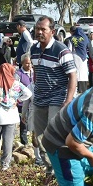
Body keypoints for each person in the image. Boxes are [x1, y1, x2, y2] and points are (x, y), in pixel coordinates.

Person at [30, 16, 77, 168]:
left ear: (52, 31)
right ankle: (50, 168)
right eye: (37, 29)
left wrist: (68, 100)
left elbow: (72, 76)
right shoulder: (34, 49)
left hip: (58, 97)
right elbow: (36, 72)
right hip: (39, 98)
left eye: (43, 29)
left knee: (53, 135)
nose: (39, 32)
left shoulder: (61, 50)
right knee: (40, 137)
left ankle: (61, 167)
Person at [15, 53, 33, 146]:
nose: (29, 65)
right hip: (22, 103)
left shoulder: (34, 73)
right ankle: (24, 143)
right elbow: (15, 88)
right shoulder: (18, 74)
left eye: (30, 63)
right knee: (24, 124)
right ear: (22, 63)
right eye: (27, 63)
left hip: (33, 103)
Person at [67, 25, 89, 93]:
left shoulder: (72, 38)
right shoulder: (85, 38)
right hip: (84, 57)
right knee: (83, 73)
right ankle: (84, 88)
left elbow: (69, 49)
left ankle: (78, 89)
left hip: (75, 56)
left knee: (77, 73)